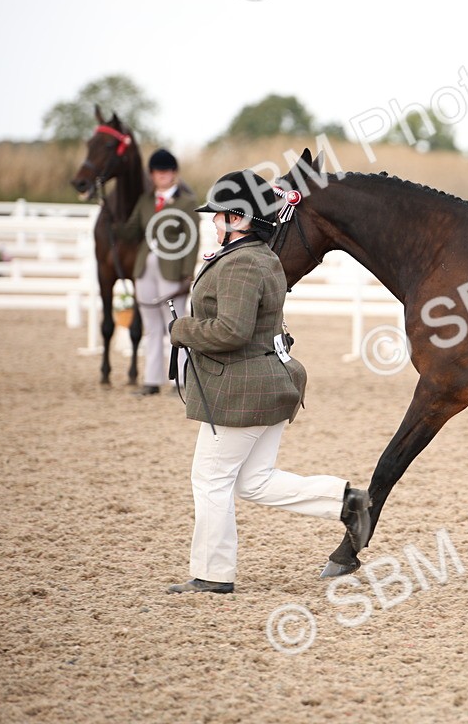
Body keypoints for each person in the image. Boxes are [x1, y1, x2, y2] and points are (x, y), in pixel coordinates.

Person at [166, 169, 369, 594]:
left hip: (242, 389)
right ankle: (346, 501)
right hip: (268, 382)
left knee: (210, 480)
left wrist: (182, 330)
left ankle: (213, 574)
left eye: (219, 214)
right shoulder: (262, 257)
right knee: (254, 480)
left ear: (239, 218)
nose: (213, 221)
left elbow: (231, 331)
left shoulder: (241, 263)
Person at [115, 149, 199, 397]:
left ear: (174, 173)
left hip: (172, 269)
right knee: (151, 326)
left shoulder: (187, 202)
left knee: (175, 326)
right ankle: (152, 380)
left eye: (166, 171)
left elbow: (192, 239)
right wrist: (113, 218)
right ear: (151, 174)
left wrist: (187, 274)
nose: (162, 175)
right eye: (157, 171)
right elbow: (131, 231)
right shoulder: (145, 201)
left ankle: (181, 380)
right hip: (145, 268)